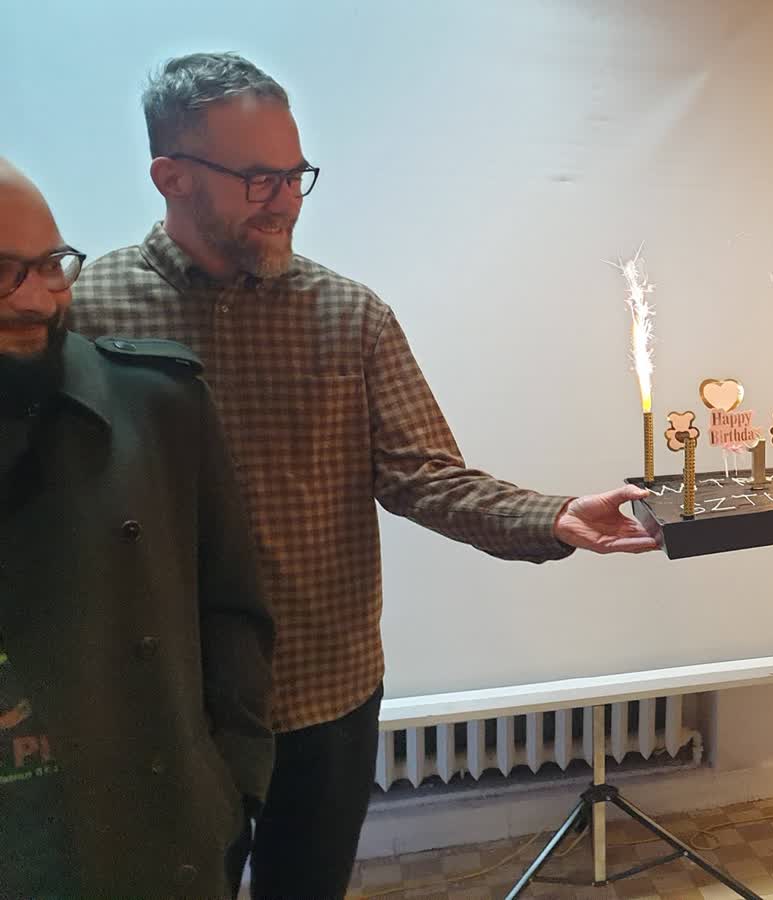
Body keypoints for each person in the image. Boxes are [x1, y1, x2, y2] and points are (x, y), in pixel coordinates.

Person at [70, 52, 658, 898]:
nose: (285, 200)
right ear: (172, 177)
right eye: (258, 178)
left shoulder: (348, 315)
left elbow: (423, 475)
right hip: (166, 702)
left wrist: (551, 516)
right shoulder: (86, 313)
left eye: (295, 175)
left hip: (326, 692)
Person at [0, 157, 274, 897]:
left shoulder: (158, 403)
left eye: (51, 264)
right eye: (2, 272)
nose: (37, 299)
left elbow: (232, 610)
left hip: (152, 843)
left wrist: (233, 786)